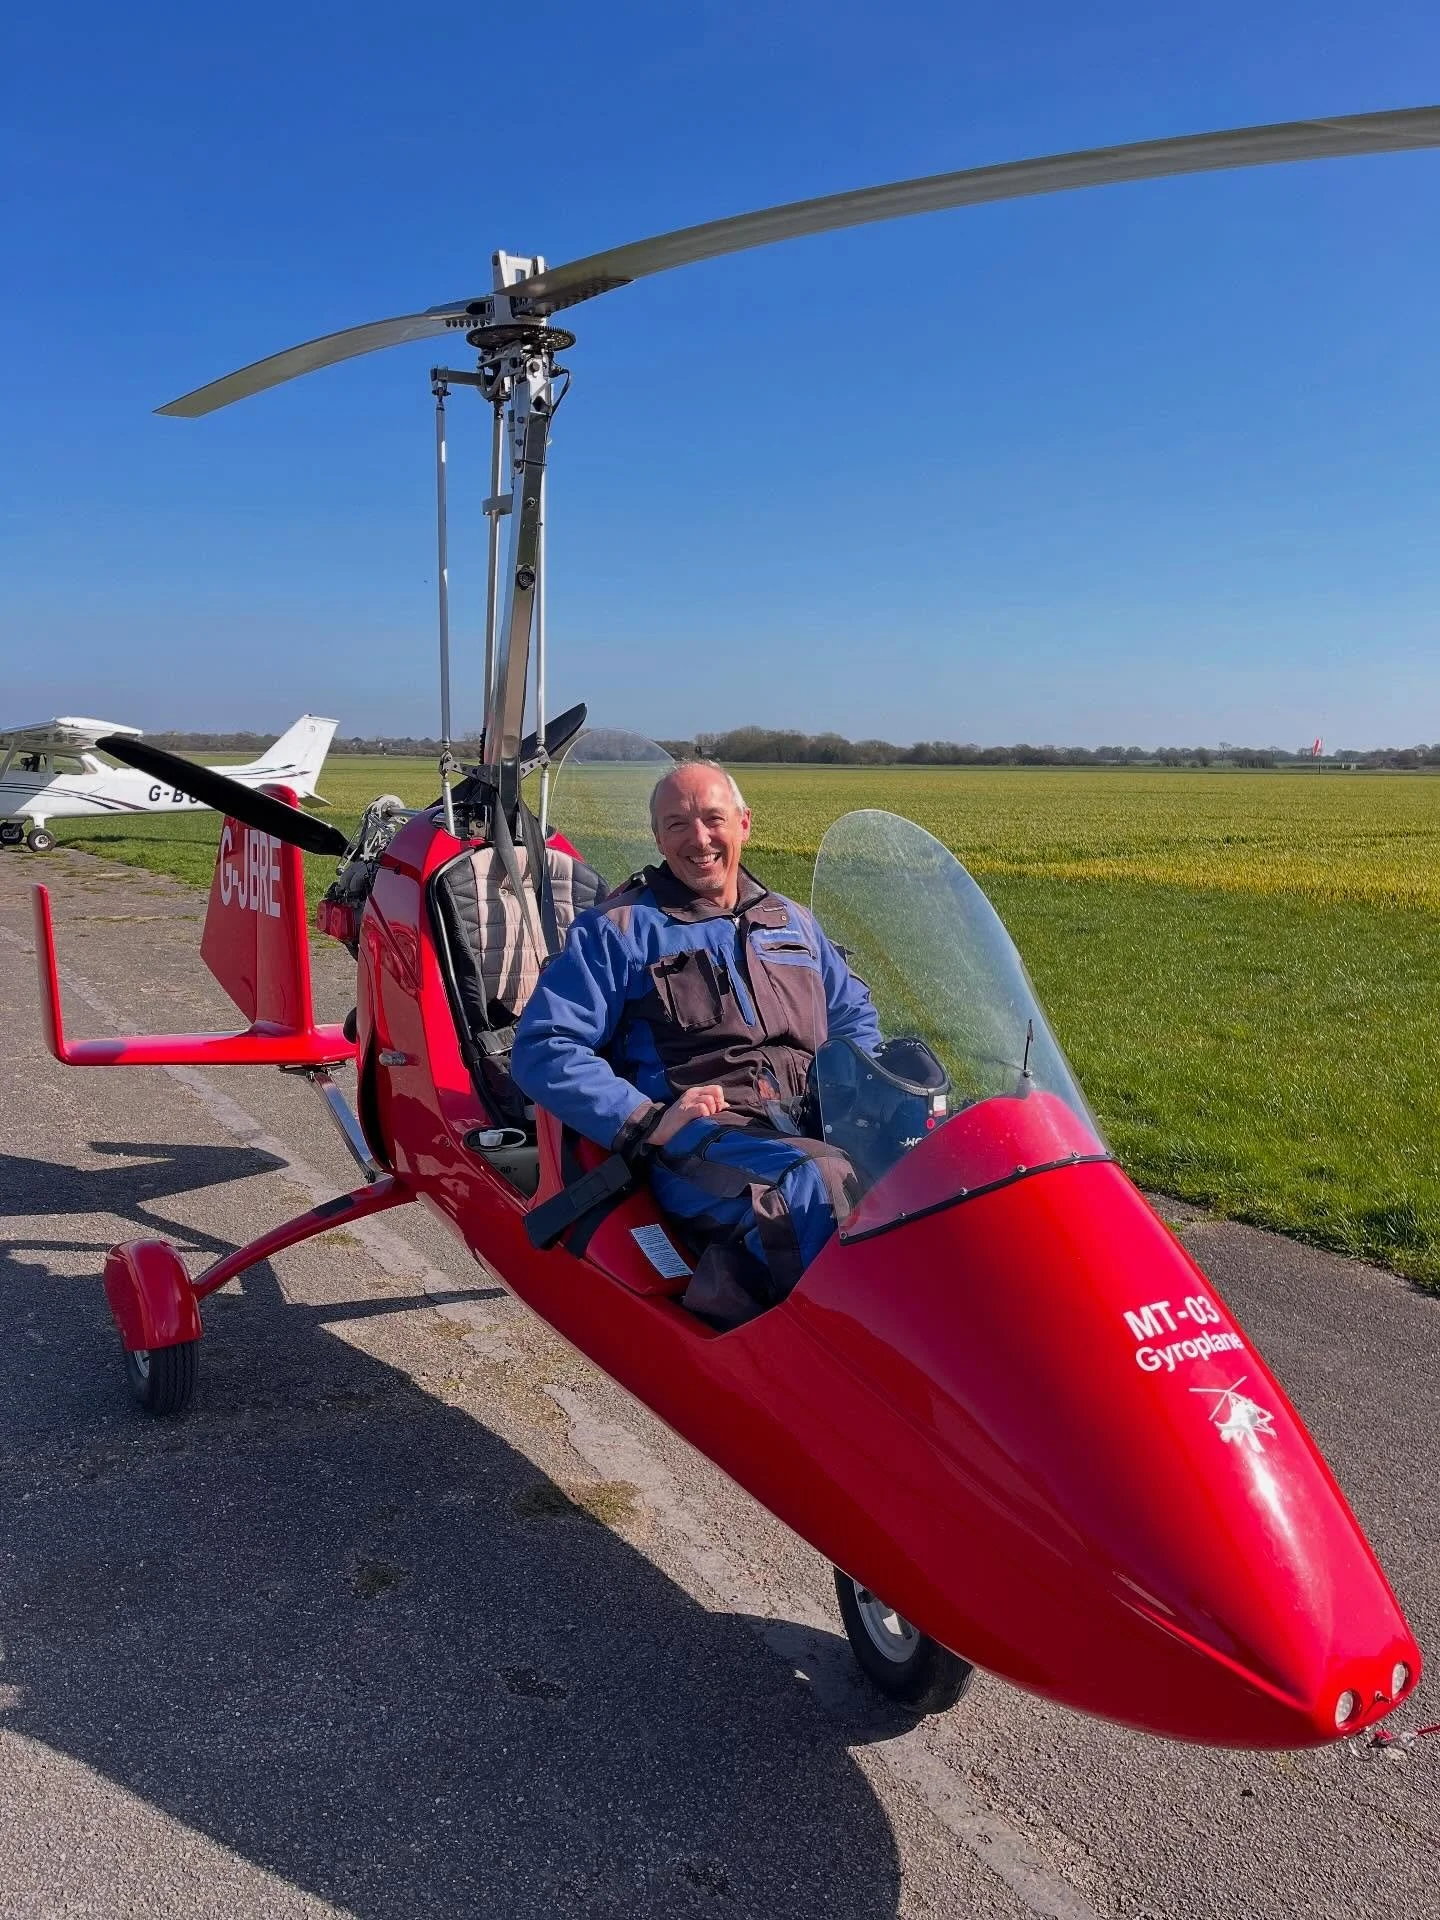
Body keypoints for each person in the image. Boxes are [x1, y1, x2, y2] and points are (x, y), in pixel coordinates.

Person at [510, 759, 880, 1321]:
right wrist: (645, 1120)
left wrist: (863, 1094)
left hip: (811, 1124)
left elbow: (853, 1018)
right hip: (704, 1142)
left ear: (744, 824)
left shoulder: (795, 923)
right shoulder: (620, 929)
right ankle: (784, 1351)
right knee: (813, 1184)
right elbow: (544, 1047)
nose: (699, 839)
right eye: (677, 824)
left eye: (712, 819)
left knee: (950, 1163)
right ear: (658, 837)